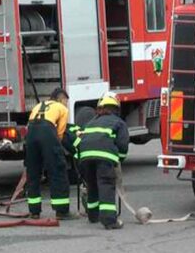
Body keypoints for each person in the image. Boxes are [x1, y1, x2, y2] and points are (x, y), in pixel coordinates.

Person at [25, 88, 78, 220]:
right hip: (47, 131)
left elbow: (29, 125)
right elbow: (60, 133)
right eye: (66, 101)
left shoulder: (39, 105)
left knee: (33, 172)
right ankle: (62, 211)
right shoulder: (62, 109)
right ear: (61, 100)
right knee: (58, 170)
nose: (66, 104)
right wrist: (58, 150)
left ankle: (34, 211)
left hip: (31, 133)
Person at [78, 94, 129, 229]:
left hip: (85, 156)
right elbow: (123, 145)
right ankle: (109, 221)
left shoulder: (91, 122)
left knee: (92, 185)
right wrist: (119, 160)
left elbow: (82, 140)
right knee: (106, 184)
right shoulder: (119, 122)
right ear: (117, 108)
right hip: (104, 156)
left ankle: (93, 216)